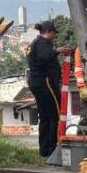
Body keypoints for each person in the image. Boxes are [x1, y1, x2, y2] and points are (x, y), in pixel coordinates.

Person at [27, 21, 63, 159]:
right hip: (45, 82)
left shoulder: (37, 43)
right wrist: (57, 51)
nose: (55, 35)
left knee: (45, 116)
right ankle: (52, 148)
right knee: (54, 115)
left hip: (39, 82)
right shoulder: (41, 43)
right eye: (54, 33)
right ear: (48, 32)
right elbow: (44, 58)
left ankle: (44, 150)